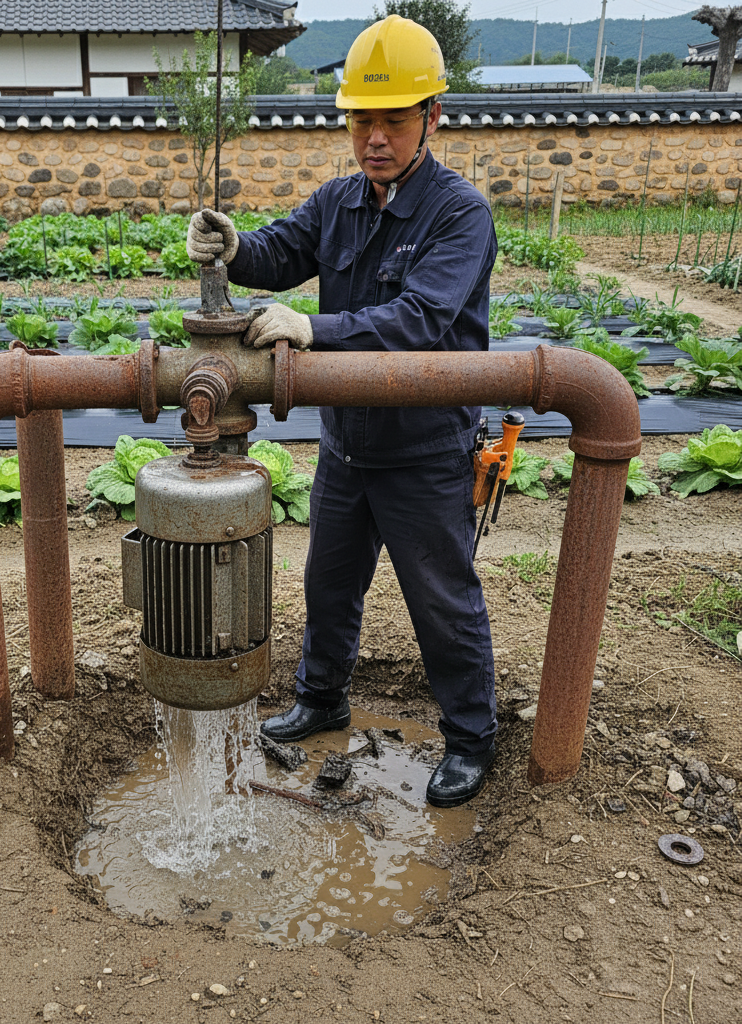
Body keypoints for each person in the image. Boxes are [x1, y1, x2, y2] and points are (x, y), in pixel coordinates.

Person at [185, 15, 498, 808]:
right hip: (349, 446)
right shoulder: (339, 201)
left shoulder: (459, 215)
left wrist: (311, 328)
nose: (375, 138)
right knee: (328, 587)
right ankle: (321, 696)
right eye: (361, 119)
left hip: (427, 450)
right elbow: (282, 251)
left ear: (433, 116)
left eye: (393, 120)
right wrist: (232, 245)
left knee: (441, 599)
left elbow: (422, 320)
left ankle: (470, 738)